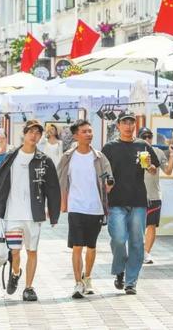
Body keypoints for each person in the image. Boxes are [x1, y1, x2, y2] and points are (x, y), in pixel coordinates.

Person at [0, 120, 60, 302]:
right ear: (24, 134)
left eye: (38, 133)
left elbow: (53, 188)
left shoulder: (44, 160)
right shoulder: (11, 157)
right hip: (12, 214)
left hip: (34, 214)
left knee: (32, 250)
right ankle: (16, 272)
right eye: (31, 132)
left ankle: (29, 287)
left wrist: (53, 213)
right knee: (15, 252)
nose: (34, 136)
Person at [101, 110, 159, 295]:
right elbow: (101, 171)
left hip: (138, 201)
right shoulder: (109, 148)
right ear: (118, 125)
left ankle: (131, 281)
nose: (128, 125)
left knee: (136, 242)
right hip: (116, 201)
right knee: (118, 239)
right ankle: (119, 270)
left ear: (135, 125)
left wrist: (149, 165)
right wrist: (105, 185)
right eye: (124, 122)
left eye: (131, 122)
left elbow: (153, 169)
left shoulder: (143, 146)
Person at [57, 119, 112, 299]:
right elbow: (59, 181)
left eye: (90, 131)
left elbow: (109, 179)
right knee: (77, 246)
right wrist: (58, 204)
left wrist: (109, 184)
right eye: (84, 131)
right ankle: (77, 283)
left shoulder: (99, 157)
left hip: (95, 207)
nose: (89, 134)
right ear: (75, 135)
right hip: (76, 207)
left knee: (91, 246)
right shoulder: (68, 157)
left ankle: (87, 277)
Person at [137, 127, 173, 265]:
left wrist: (172, 155)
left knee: (151, 226)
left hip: (153, 195)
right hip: (136, 195)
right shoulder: (134, 152)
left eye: (149, 136)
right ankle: (136, 251)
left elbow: (168, 171)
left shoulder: (158, 152)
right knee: (136, 226)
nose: (147, 139)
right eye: (144, 136)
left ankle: (146, 253)